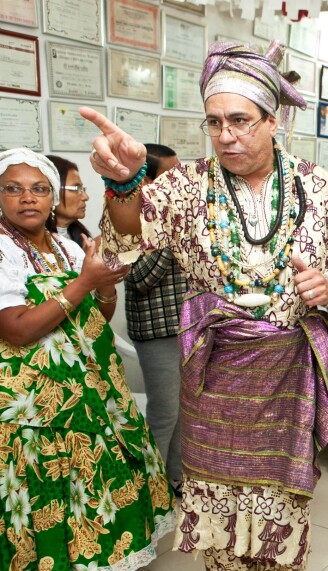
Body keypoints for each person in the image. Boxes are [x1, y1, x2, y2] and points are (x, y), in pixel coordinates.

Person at [81, 39, 328, 571]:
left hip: (288, 368)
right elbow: (131, 236)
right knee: (214, 491)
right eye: (215, 122)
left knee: (282, 494)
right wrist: (127, 179)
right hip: (216, 367)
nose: (226, 136)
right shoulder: (185, 187)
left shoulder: (316, 189)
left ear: (273, 120)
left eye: (240, 121)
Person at [0, 148, 175, 571]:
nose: (27, 198)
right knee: (44, 491)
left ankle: (77, 569)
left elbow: (95, 316)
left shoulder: (66, 245)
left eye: (38, 188)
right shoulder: (1, 249)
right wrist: (84, 283)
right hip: (31, 400)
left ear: (52, 197)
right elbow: (15, 328)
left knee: (84, 481)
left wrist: (103, 285)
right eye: (13, 188)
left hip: (86, 387)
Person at [123, 144, 186, 493]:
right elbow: (140, 278)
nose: (177, 180)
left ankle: (175, 479)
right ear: (146, 180)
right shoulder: (129, 216)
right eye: (169, 174)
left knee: (184, 414)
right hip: (156, 331)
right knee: (163, 415)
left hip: (185, 325)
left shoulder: (173, 212)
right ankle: (148, 494)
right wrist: (174, 235)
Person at [45, 155, 92, 249]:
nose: (85, 197)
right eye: (76, 188)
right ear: (52, 191)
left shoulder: (82, 238)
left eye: (82, 189)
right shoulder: (37, 244)